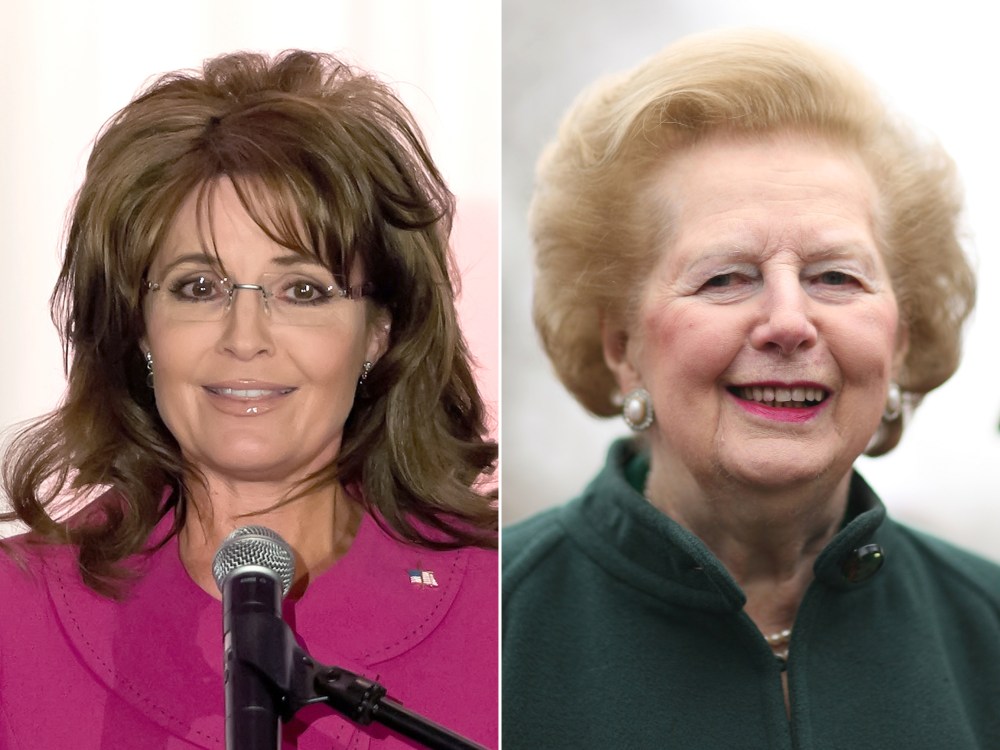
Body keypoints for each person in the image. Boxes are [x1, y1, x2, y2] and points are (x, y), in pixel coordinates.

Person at [502, 29, 1000, 749]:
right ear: (622, 348)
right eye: (725, 277)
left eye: (836, 276)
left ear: (899, 340)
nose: (789, 322)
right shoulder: (494, 629)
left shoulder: (986, 627)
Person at [0, 50, 497, 749]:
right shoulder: (13, 619)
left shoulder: (510, 612)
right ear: (139, 326)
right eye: (198, 287)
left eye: (303, 290)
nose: (245, 338)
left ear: (378, 332)